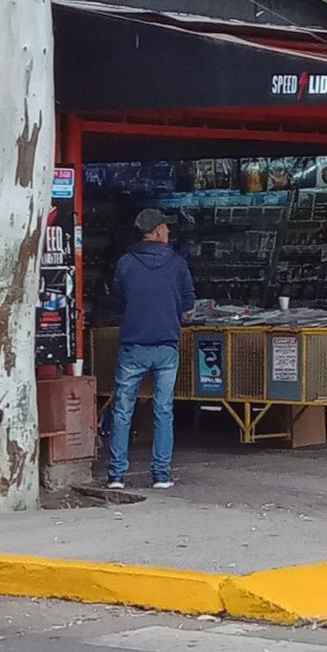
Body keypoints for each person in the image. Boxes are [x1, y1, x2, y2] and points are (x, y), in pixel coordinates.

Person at [105, 207, 195, 490]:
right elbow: (188, 306)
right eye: (166, 228)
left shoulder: (125, 264)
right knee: (163, 409)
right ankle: (161, 474)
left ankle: (117, 475)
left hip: (133, 345)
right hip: (166, 346)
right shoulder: (178, 264)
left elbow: (118, 302)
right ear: (157, 231)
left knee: (123, 409)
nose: (169, 232)